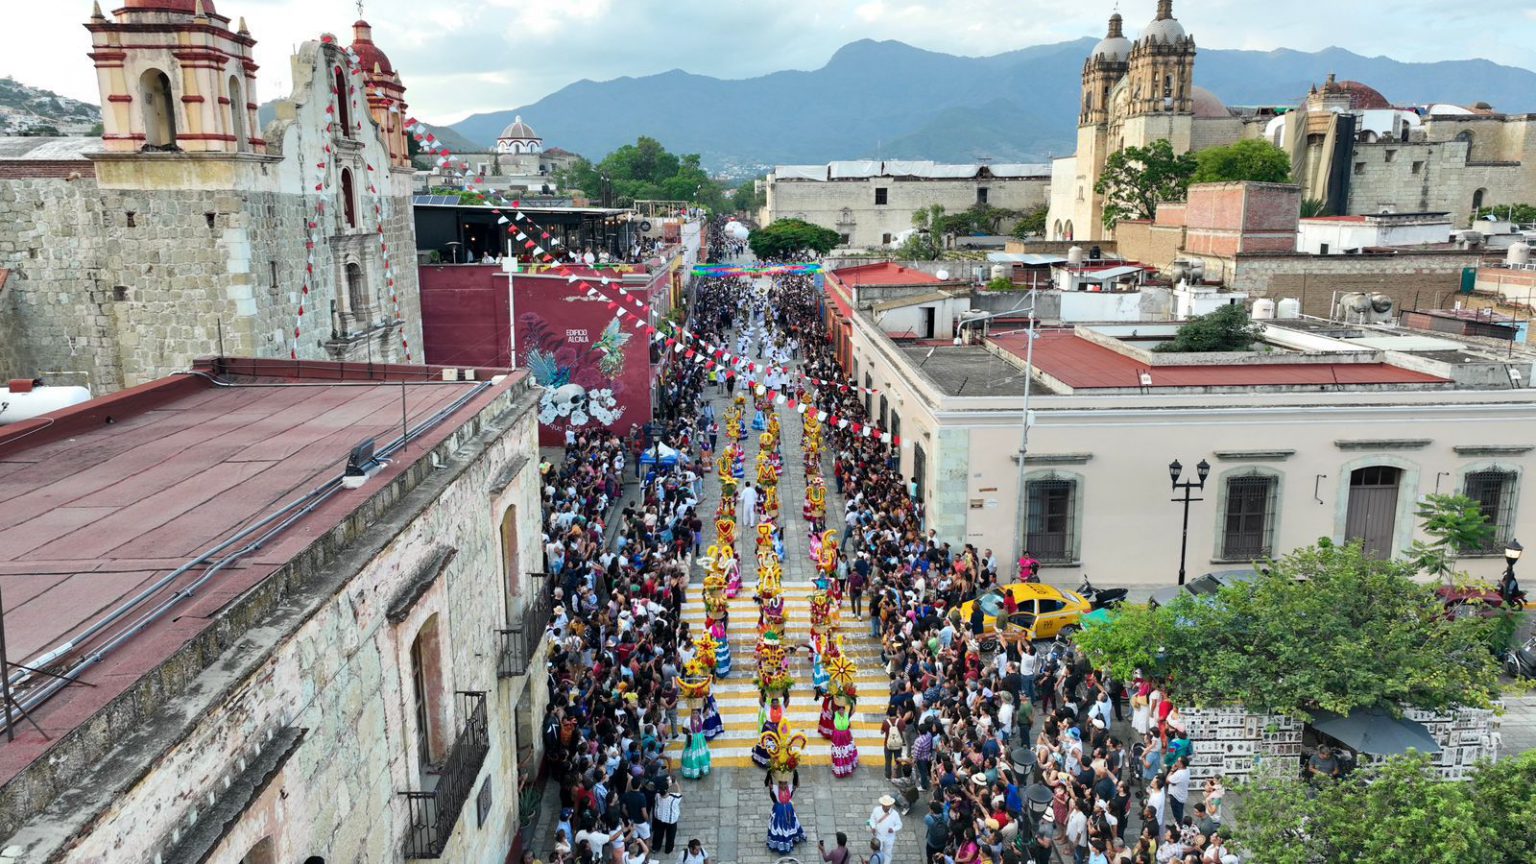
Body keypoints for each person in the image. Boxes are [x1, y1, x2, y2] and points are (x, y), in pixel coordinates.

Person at [766, 771, 806, 852]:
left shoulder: (790, 787)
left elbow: (797, 785)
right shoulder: (775, 788)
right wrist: (770, 773)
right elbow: (768, 784)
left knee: (790, 825)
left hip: (789, 810)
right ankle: (780, 843)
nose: (783, 786)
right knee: (779, 827)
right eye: (781, 783)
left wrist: (795, 773)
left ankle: (791, 839)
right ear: (778, 783)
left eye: (785, 783)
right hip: (778, 812)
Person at [868, 794, 903, 864]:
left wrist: (893, 829)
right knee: (878, 851)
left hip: (889, 837)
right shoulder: (876, 810)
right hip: (879, 835)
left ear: (890, 805)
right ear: (882, 804)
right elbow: (871, 820)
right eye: (885, 806)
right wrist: (873, 827)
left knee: (887, 853)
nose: (886, 807)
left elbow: (899, 825)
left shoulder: (895, 814)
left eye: (888, 806)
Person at [652, 777, 682, 855]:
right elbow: (679, 794)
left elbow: (663, 789)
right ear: (666, 790)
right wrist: (676, 784)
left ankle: (655, 848)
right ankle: (668, 849)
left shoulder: (657, 796)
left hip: (659, 819)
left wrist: (667, 784)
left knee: (658, 834)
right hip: (671, 822)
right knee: (670, 836)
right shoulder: (674, 798)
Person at [680, 708, 711, 779]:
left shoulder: (701, 718)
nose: (694, 714)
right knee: (692, 755)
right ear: (691, 713)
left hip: (700, 740)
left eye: (696, 713)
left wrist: (706, 701)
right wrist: (688, 732)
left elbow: (707, 712)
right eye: (693, 713)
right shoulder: (687, 720)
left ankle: (701, 769)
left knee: (701, 754)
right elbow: (683, 730)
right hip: (691, 740)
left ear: (699, 713)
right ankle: (694, 772)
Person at [831, 701, 859, 777]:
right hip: (837, 737)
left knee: (847, 751)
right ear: (837, 710)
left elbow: (853, 710)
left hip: (846, 736)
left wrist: (852, 700)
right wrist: (832, 698)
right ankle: (840, 769)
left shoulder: (847, 715)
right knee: (839, 753)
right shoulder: (835, 715)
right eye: (839, 710)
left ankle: (848, 766)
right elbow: (830, 709)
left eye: (842, 710)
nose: (841, 711)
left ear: (844, 710)